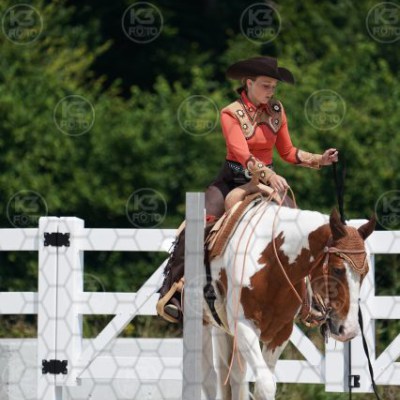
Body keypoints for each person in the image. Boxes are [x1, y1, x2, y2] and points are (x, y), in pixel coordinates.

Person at [157, 56, 338, 323]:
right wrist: (269, 174)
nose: (271, 91)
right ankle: (176, 291)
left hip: (268, 182)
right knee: (197, 223)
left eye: (274, 87)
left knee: (298, 228)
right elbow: (242, 154)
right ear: (248, 83)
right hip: (232, 179)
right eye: (265, 85)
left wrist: (319, 159)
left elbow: (288, 151)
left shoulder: (277, 111)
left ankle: (308, 298)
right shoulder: (230, 113)